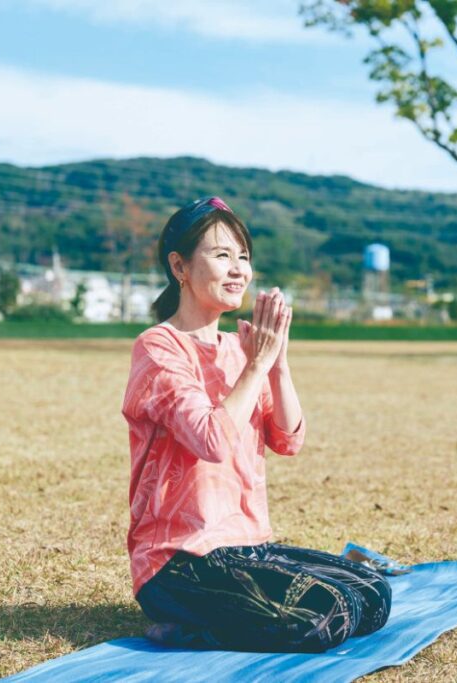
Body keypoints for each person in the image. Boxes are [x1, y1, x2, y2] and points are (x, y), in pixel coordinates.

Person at [120, 197, 391, 652]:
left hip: (248, 545)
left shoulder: (238, 347)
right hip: (180, 560)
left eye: (243, 257)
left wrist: (277, 365)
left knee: (372, 594)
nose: (238, 269)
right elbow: (211, 439)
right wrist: (256, 366)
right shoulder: (159, 347)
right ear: (180, 266)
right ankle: (184, 628)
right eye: (222, 255)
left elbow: (288, 440)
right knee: (328, 614)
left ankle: (205, 626)